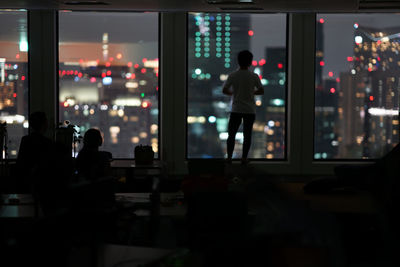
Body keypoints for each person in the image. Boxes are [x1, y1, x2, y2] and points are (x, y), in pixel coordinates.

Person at [222, 50, 264, 164]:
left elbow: (225, 90)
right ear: (250, 62)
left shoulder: (233, 75)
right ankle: (244, 158)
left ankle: (229, 157)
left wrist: (234, 94)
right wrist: (251, 93)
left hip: (236, 109)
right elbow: (261, 90)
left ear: (238, 61)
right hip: (250, 110)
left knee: (232, 134)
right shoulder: (253, 76)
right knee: (247, 135)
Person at [17, 111, 55, 192]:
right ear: (44, 124)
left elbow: (20, 163)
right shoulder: (47, 143)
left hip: (26, 183)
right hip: (43, 185)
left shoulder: (25, 140)